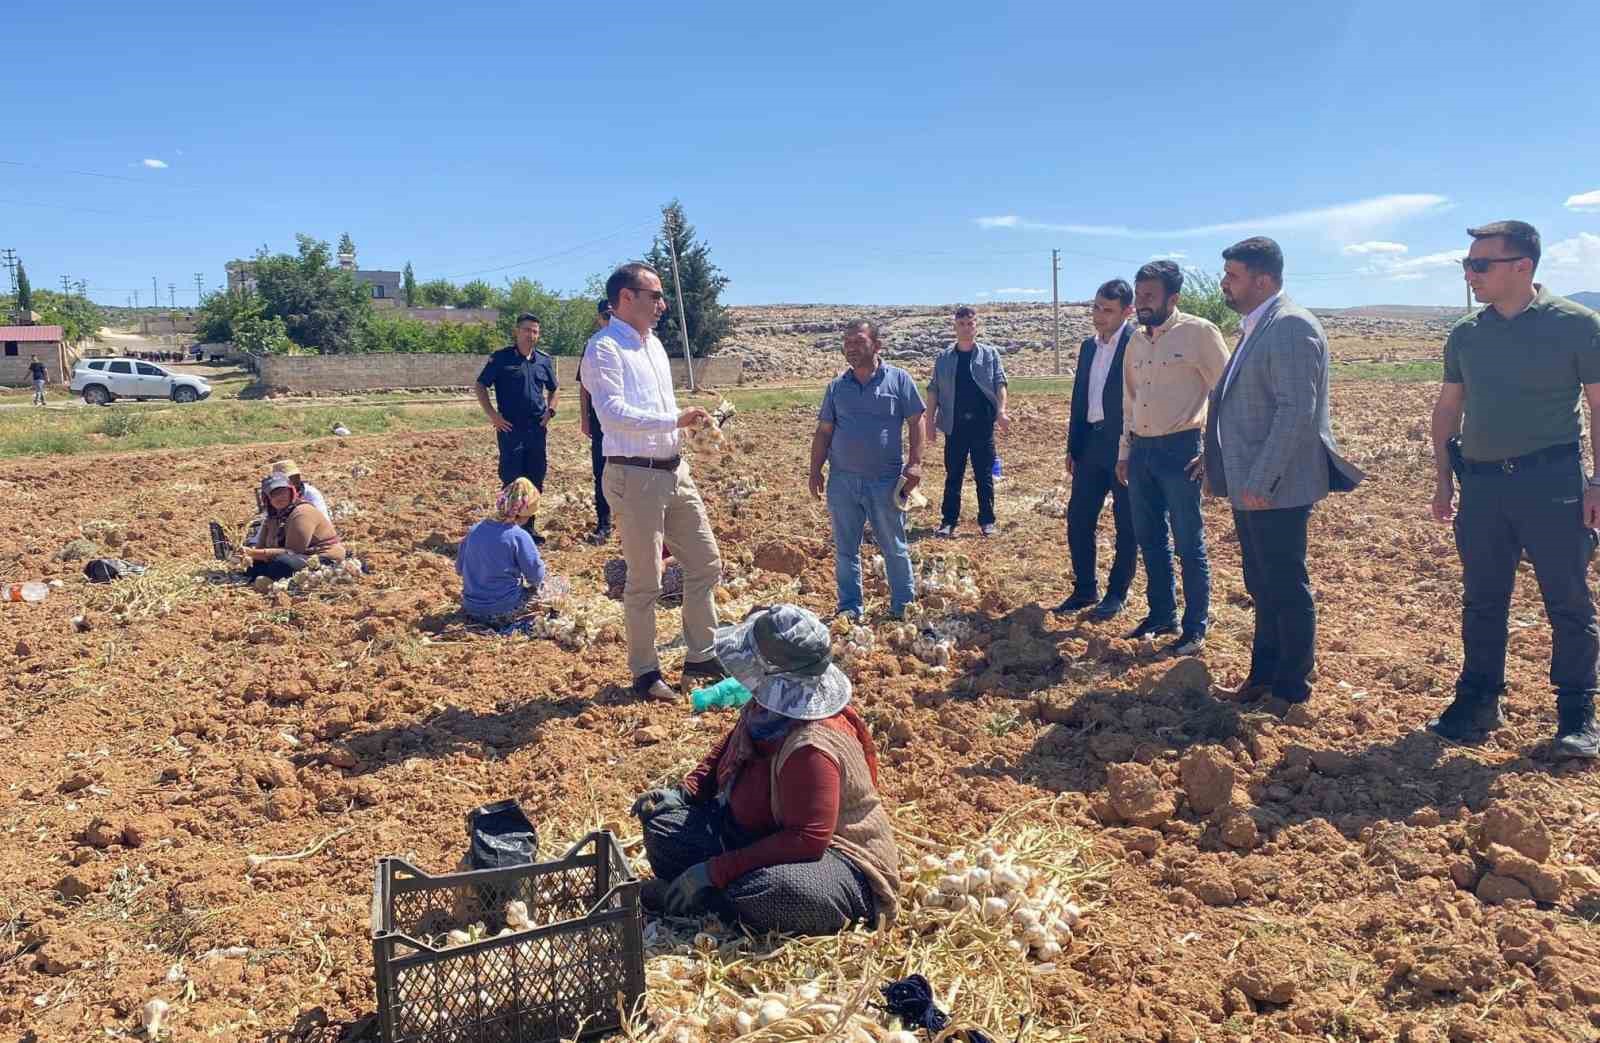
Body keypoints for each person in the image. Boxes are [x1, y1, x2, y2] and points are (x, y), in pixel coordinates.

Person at [1427, 221, 1600, 758]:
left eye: (1480, 264)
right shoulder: (1467, 334)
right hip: (1480, 484)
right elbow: (1449, 407)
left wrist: (1598, 480)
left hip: (1552, 480)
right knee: (1482, 599)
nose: (1470, 274)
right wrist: (1441, 478)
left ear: (1522, 267)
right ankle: (1479, 698)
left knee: (1568, 600)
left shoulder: (1577, 325)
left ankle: (1578, 714)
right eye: (1467, 264)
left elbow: (1599, 407)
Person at [632, 604, 900, 935]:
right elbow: (730, 744)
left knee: (780, 893)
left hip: (830, 860)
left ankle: (717, 905)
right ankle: (722, 898)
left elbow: (808, 839)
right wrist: (686, 793)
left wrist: (715, 871)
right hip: (758, 834)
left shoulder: (811, 746)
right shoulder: (767, 709)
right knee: (663, 830)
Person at [1204, 238, 1364, 711]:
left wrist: (1262, 480)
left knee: (1285, 586)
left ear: (1264, 280)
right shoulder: (1257, 326)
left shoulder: (1291, 326)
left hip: (1275, 486)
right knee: (1263, 585)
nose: (1224, 284)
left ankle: (1292, 689)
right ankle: (1263, 676)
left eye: (1233, 276)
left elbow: (1297, 412)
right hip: (1249, 482)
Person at [581, 262, 724, 702]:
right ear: (626, 298)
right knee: (646, 581)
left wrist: (690, 424)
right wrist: (673, 418)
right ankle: (645, 673)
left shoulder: (655, 346)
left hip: (672, 471)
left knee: (706, 562)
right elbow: (613, 414)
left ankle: (701, 654)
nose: (662, 304)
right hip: (634, 475)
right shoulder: (604, 348)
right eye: (654, 295)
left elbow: (660, 407)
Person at [1117, 260, 1228, 655]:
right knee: (1150, 539)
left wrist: (1215, 453)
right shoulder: (1134, 340)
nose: (1141, 303)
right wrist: (1125, 451)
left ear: (1173, 297)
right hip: (1142, 451)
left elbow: (1226, 394)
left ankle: (1195, 627)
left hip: (1182, 450)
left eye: (1150, 296)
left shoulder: (1200, 333)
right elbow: (1129, 401)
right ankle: (1162, 614)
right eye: (1139, 294)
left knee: (1188, 541)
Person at [809, 320, 925, 622]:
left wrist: (915, 463)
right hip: (843, 481)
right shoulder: (836, 388)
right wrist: (814, 470)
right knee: (846, 550)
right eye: (847, 342)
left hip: (885, 481)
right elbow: (823, 432)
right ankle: (850, 608)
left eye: (858, 341)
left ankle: (903, 607)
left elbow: (917, 422)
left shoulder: (899, 380)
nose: (851, 347)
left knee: (894, 547)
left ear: (877, 345)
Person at [1056, 280, 1139, 620]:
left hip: (1124, 446)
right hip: (1090, 444)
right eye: (1096, 308)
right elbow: (1080, 398)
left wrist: (1132, 448)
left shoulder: (1138, 344)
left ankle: (1117, 593)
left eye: (1108, 310)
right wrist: (1072, 446)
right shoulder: (1089, 347)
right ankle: (1085, 588)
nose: (1099, 316)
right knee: (1078, 517)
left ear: (1127, 311)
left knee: (1126, 523)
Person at [925, 305, 1010, 538]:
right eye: (961, 324)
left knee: (984, 475)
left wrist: (1001, 411)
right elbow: (933, 390)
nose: (966, 328)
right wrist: (929, 421)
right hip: (955, 426)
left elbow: (1000, 384)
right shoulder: (943, 358)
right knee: (953, 475)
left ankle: (987, 521)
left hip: (982, 425)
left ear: (976, 326)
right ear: (955, 326)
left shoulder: (990, 355)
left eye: (970, 323)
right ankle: (948, 521)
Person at [475, 313, 559, 544]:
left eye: (535, 331)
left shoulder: (543, 360)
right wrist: (493, 416)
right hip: (510, 429)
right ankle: (508, 529)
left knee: (535, 476)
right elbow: (481, 385)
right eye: (526, 330)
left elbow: (555, 388)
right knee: (512, 477)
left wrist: (550, 411)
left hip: (536, 429)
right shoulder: (501, 358)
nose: (531, 335)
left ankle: (529, 529)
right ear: (517, 332)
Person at [456, 478, 548, 624]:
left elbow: (459, 569)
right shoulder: (519, 536)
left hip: (471, 607)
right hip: (503, 609)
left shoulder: (475, 529)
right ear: (525, 512)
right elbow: (536, 576)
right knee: (551, 594)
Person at [239, 473, 345, 581]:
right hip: (295, 556)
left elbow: (293, 551)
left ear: (291, 492)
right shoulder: (272, 517)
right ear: (267, 498)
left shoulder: (301, 512)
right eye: (274, 494)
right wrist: (248, 554)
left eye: (283, 492)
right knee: (253, 567)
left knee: (282, 564)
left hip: (321, 557)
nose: (279, 497)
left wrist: (255, 553)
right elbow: (260, 548)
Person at [578, 298, 614, 544]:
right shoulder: (593, 346)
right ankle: (604, 524)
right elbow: (584, 387)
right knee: (601, 473)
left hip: (627, 424)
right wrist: (584, 419)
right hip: (601, 422)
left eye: (613, 314)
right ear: (599, 318)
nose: (609, 319)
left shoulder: (631, 343)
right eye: (605, 315)